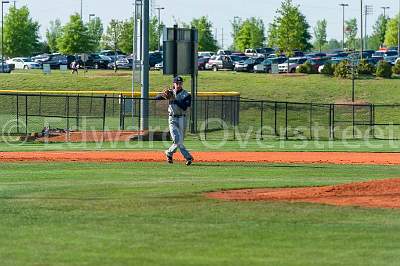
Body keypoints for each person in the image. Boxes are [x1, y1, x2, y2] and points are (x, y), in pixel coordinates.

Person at [155, 76, 193, 166]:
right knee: (177, 140)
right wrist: (162, 95)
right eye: (177, 83)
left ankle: (169, 153)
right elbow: (156, 98)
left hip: (182, 118)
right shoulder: (170, 92)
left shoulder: (186, 95)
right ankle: (188, 157)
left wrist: (174, 100)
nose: (179, 85)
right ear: (174, 84)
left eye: (180, 83)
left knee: (179, 141)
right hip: (172, 119)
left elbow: (184, 106)